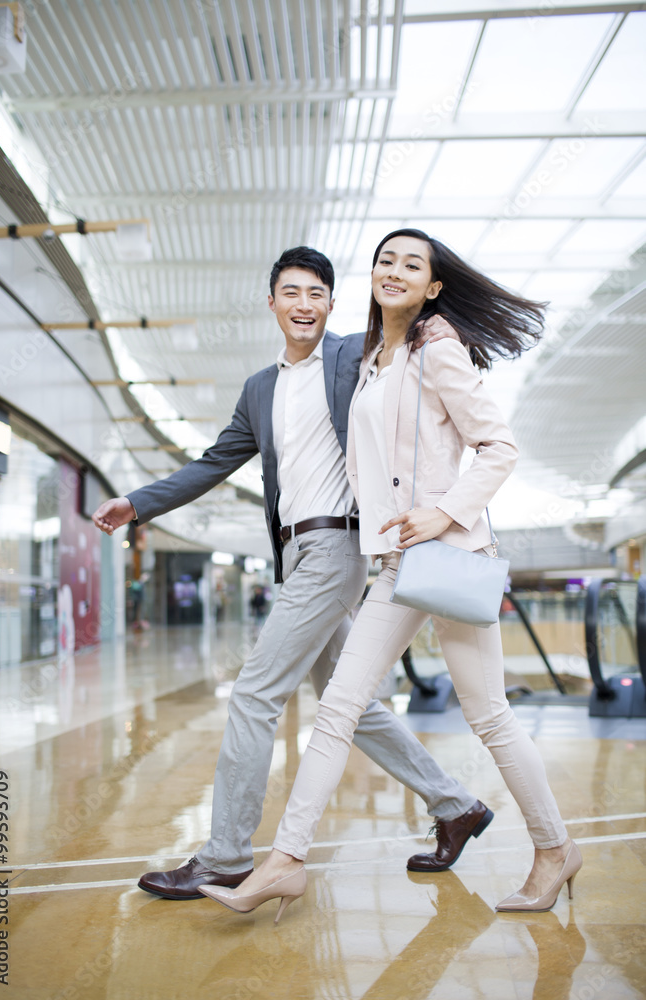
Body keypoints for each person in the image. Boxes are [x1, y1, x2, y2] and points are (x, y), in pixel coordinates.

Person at [200, 230, 582, 923]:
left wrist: (442, 512)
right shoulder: (373, 360)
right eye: (385, 261)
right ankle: (285, 861)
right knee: (339, 706)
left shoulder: (436, 347)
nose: (395, 271)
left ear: (433, 286)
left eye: (413, 264)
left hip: (448, 555)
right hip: (394, 565)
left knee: (489, 715)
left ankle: (554, 849)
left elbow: (498, 446)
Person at [92, 246, 493, 901]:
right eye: (291, 293)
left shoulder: (351, 358)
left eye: (316, 293)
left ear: (332, 304)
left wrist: (435, 320)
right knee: (351, 703)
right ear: (272, 303)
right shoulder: (259, 389)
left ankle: (224, 857)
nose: (303, 304)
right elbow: (211, 462)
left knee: (253, 694)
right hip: (294, 556)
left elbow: (407, 337)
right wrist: (138, 503)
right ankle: (455, 806)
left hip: (337, 545)